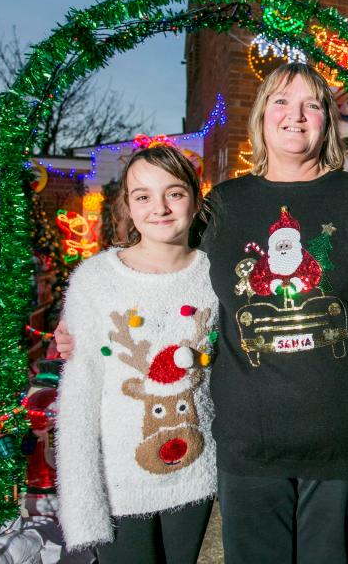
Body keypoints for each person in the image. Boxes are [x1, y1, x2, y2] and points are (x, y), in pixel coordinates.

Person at [57, 62, 348, 564]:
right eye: (281, 102)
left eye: (312, 104)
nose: (297, 116)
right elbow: (165, 265)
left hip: (341, 433)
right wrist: (86, 315)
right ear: (261, 117)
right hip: (248, 440)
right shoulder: (224, 206)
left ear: (326, 121)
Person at [55, 145, 217, 563]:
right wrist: (83, 505)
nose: (159, 208)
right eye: (143, 195)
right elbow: (79, 398)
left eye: (174, 193)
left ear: (196, 199)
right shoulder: (95, 281)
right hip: (121, 486)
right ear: (127, 204)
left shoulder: (216, 275)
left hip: (202, 481)